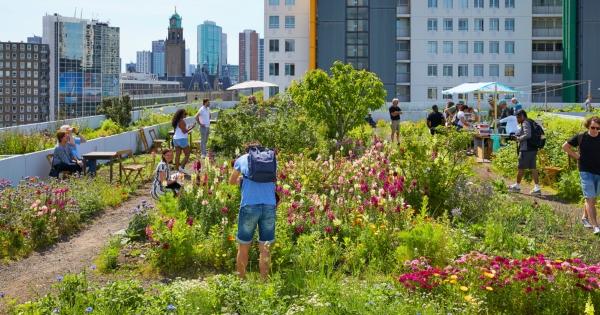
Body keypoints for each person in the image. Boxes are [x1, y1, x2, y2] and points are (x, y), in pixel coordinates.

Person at [229, 142, 277, 280]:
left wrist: (241, 180)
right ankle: (264, 282)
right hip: (269, 205)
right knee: (265, 247)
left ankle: (241, 281)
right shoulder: (271, 160)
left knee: (243, 246)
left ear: (247, 151)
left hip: (249, 205)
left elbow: (232, 181)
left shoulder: (242, 159)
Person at [562, 116, 600, 235]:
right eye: (593, 127)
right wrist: (577, 157)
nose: (595, 130)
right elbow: (565, 146)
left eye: (598, 128)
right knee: (590, 198)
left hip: (599, 172)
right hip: (585, 171)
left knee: (592, 199)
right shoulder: (581, 137)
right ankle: (596, 226)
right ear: (588, 126)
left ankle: (584, 217)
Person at [508, 110, 541, 195]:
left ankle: (517, 186)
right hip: (533, 148)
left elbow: (527, 135)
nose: (517, 120)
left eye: (518, 117)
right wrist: (516, 134)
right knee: (533, 168)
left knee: (521, 168)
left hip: (526, 149)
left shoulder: (525, 122)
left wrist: (518, 139)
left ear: (522, 116)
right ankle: (537, 188)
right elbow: (523, 132)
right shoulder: (530, 121)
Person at [172, 109, 195, 173]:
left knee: (177, 155)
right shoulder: (181, 121)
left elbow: (181, 129)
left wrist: (188, 127)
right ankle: (181, 167)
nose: (186, 115)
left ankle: (177, 170)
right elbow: (184, 131)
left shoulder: (176, 121)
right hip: (182, 139)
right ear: (181, 114)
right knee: (187, 154)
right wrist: (192, 127)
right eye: (185, 114)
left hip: (175, 139)